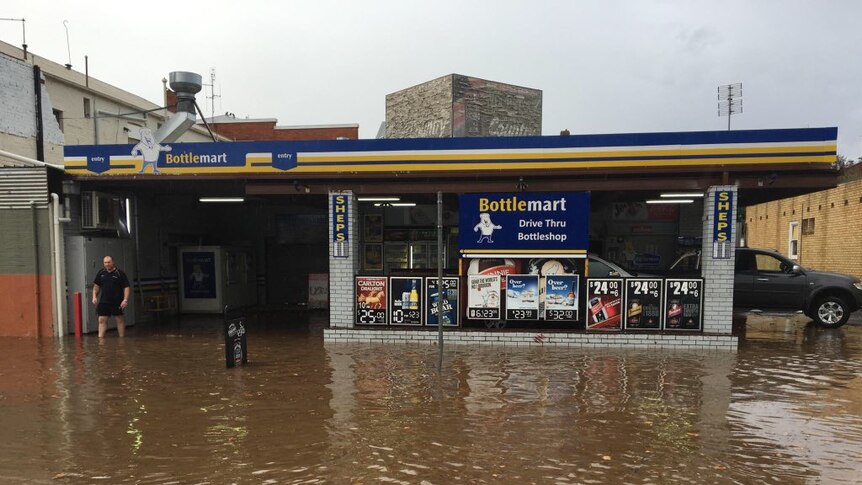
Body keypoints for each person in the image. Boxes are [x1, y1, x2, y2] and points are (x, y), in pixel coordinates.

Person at [92, 255, 131, 338]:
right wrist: (94, 296)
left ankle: (122, 339)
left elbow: (126, 287)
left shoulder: (120, 273)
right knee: (101, 320)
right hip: (104, 301)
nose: (107, 264)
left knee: (119, 320)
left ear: (113, 262)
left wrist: (125, 300)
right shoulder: (101, 273)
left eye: (109, 262)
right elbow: (96, 286)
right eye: (105, 262)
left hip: (117, 301)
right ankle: (101, 341)